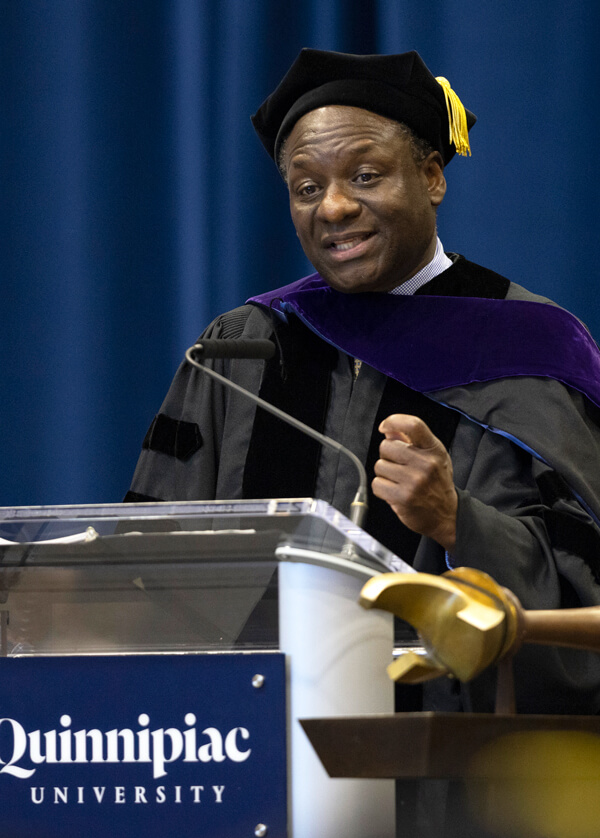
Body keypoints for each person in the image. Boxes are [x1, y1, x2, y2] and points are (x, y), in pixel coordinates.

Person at [127, 49, 600, 715]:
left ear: (433, 176)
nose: (335, 207)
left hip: (457, 778)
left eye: (366, 175)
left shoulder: (532, 348)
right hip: (247, 751)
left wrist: (460, 523)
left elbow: (587, 592)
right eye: (307, 187)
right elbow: (153, 567)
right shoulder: (242, 349)